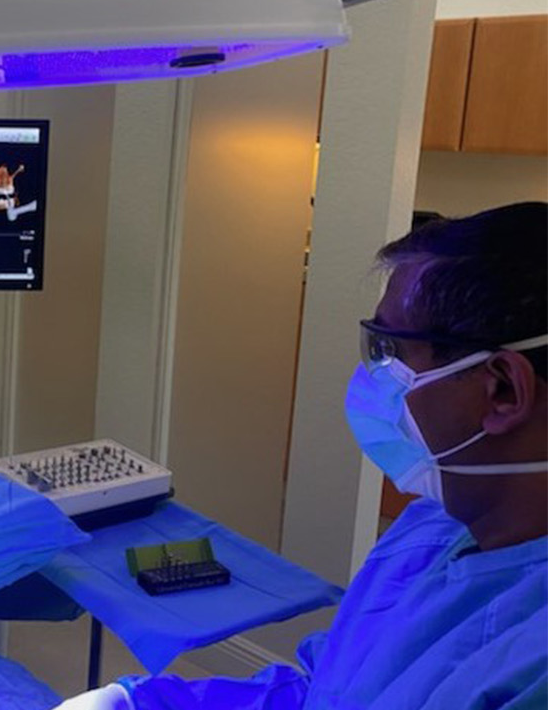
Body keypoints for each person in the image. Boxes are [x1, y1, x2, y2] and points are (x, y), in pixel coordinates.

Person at [55, 201, 548, 710]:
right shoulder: (431, 531)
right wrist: (132, 704)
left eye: (389, 352)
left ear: (503, 390)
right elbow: (323, 693)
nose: (371, 375)